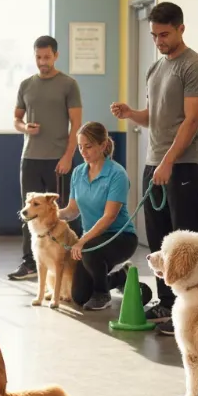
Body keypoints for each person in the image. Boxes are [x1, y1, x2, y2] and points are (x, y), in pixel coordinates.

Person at [111, 2, 198, 336]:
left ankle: (192, 310)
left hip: (182, 165)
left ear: (181, 28)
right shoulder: (156, 69)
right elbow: (152, 117)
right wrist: (130, 113)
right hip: (155, 164)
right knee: (158, 240)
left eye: (164, 34)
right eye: (154, 35)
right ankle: (167, 303)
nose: (159, 40)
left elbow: (192, 120)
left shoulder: (194, 66)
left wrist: (169, 160)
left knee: (183, 245)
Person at [9, 35, 82, 282]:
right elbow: (16, 120)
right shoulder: (26, 85)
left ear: (56, 56)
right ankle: (29, 263)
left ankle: (65, 262)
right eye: (39, 57)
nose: (43, 62)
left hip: (58, 160)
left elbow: (77, 125)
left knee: (58, 215)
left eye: (47, 57)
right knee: (27, 213)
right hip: (30, 157)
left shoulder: (69, 84)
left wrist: (68, 156)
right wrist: (24, 127)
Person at [58, 122, 149, 311]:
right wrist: (50, 215)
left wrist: (81, 241)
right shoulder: (78, 173)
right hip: (92, 241)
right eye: (80, 147)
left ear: (103, 145)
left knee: (89, 249)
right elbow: (72, 210)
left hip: (120, 237)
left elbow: (109, 217)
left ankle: (103, 294)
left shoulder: (117, 174)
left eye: (88, 146)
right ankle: (120, 277)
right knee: (80, 297)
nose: (83, 151)